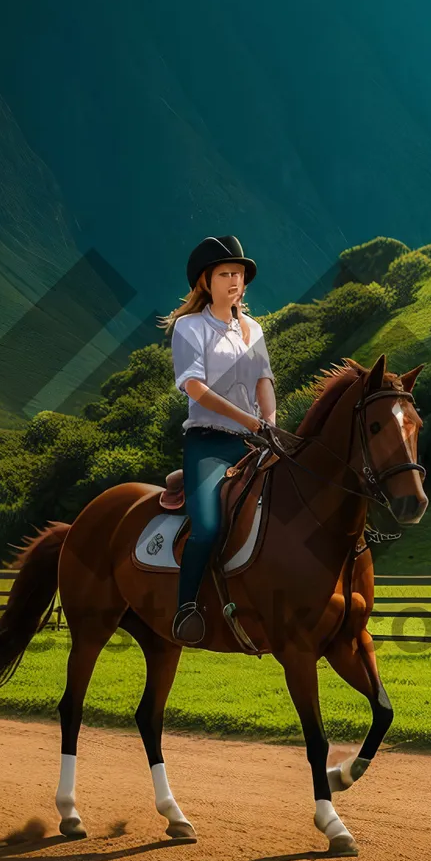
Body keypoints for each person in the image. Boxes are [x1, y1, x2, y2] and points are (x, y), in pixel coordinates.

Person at [159, 235, 277, 646]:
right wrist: (248, 419)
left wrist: (271, 423)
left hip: (255, 443)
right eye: (225, 274)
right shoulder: (189, 327)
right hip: (208, 443)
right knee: (207, 528)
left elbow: (265, 381)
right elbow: (193, 386)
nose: (234, 281)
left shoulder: (254, 329)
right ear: (205, 282)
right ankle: (186, 609)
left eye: (239, 274)